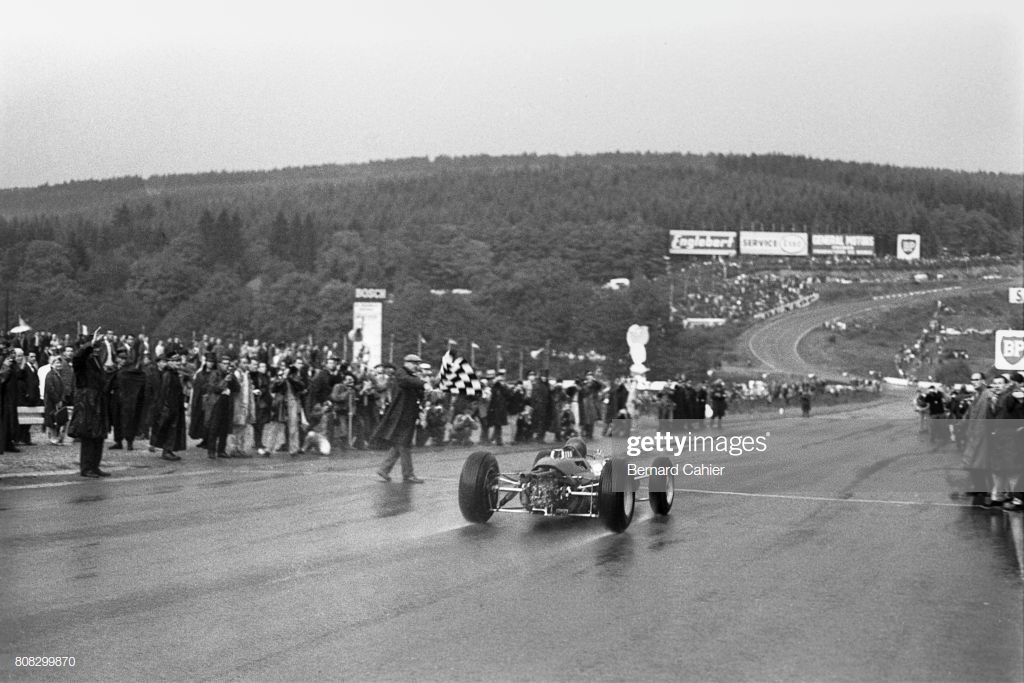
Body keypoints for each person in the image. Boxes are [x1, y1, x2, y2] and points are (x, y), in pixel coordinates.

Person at [373, 353, 426, 483]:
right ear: (406, 363)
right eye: (415, 364)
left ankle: (384, 469)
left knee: (400, 444)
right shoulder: (401, 373)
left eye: (418, 364)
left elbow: (416, 392)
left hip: (406, 415)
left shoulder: (410, 376)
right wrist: (423, 383)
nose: (417, 366)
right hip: (401, 416)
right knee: (404, 444)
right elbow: (408, 382)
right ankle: (408, 474)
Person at [68, 328, 113, 477]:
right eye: (95, 346)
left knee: (98, 435)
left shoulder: (96, 360)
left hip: (98, 401)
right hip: (87, 402)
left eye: (98, 347)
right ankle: (86, 468)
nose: (97, 349)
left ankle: (95, 466)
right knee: (88, 436)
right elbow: (77, 357)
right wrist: (89, 345)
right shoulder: (82, 362)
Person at [151, 353, 186, 461]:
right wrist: (166, 407)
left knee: (172, 429)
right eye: (176, 361)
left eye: (179, 361)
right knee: (169, 428)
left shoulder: (174, 374)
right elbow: (164, 392)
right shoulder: (168, 374)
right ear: (170, 362)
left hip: (174, 405)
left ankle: (169, 450)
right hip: (170, 406)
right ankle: (166, 451)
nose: (178, 363)